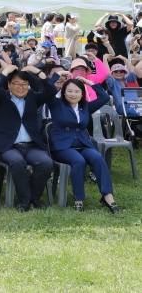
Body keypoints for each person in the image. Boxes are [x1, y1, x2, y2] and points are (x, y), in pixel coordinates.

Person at [42, 76, 119, 213]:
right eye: (69, 91)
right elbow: (47, 88)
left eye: (77, 91)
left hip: (83, 144)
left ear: (82, 93)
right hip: (62, 146)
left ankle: (108, 196)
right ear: (63, 92)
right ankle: (79, 200)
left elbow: (104, 98)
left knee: (98, 158)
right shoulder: (56, 103)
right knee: (79, 161)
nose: (73, 94)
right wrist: (57, 74)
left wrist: (89, 82)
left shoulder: (85, 106)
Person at [0, 65, 54, 211]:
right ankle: (25, 200)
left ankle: (34, 198)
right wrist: (6, 71)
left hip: (32, 145)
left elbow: (51, 91)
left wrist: (37, 71)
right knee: (17, 162)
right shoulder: (1, 98)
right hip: (8, 146)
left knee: (46, 163)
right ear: (9, 84)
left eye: (24, 84)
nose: (21, 87)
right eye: (16, 83)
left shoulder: (33, 97)